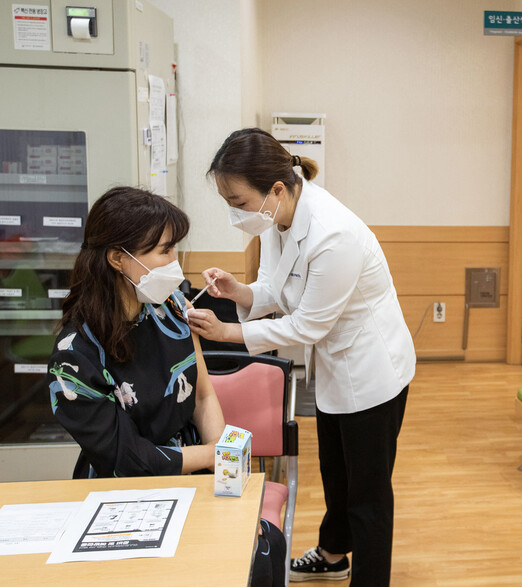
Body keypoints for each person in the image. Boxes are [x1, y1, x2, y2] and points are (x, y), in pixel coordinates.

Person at [186, 128, 415, 586]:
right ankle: (333, 554)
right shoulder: (279, 218)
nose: (235, 213)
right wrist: (240, 291)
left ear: (275, 189)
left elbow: (308, 324)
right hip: (332, 364)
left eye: (239, 201)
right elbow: (274, 288)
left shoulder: (335, 234)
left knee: (367, 493)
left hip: (371, 371)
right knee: (336, 472)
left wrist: (231, 330)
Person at [47, 186, 285, 585]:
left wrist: (226, 476)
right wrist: (213, 455)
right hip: (124, 493)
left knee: (261, 549)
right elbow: (131, 459)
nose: (174, 262)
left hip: (194, 471)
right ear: (118, 259)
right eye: (163, 250)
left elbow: (203, 394)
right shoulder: (75, 356)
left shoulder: (170, 306)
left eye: (175, 248)